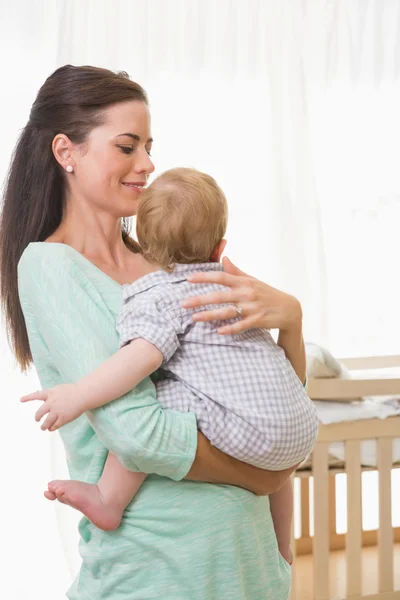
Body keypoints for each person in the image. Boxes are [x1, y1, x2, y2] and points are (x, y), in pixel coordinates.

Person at [1, 65, 310, 600]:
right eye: (127, 147)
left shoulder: (169, 268)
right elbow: (136, 433)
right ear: (65, 152)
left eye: (148, 146)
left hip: (248, 567)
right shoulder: (51, 267)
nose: (147, 165)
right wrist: (263, 476)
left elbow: (265, 391)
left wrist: (293, 321)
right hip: (157, 574)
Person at [21, 167, 318, 566]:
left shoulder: (157, 295)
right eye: (128, 147)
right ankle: (283, 546)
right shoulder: (233, 288)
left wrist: (78, 394)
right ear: (219, 248)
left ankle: (109, 498)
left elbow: (140, 358)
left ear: (147, 246)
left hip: (256, 437)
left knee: (158, 390)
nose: (143, 161)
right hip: (300, 426)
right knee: (251, 399)